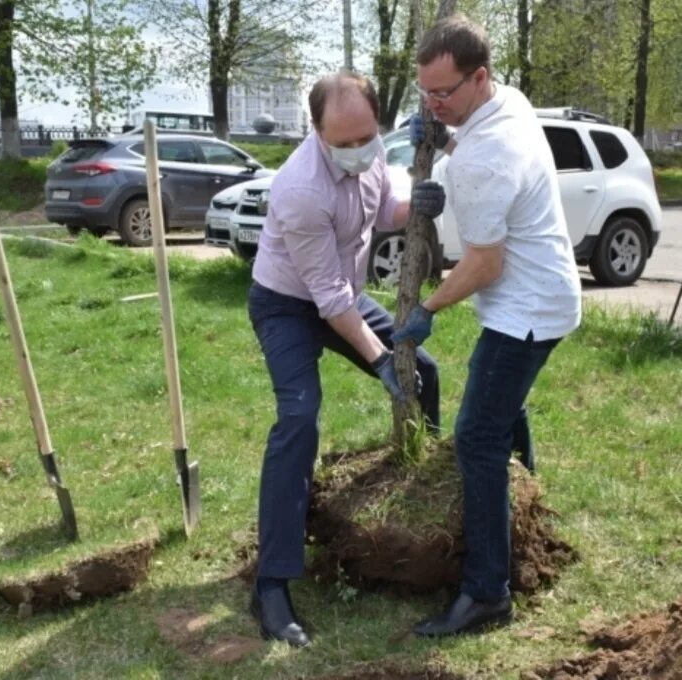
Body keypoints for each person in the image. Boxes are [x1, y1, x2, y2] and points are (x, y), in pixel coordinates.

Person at [394, 15, 581, 637]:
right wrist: (444, 148)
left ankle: (487, 592)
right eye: (424, 93)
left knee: (476, 436)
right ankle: (525, 516)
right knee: (503, 409)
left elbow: (483, 263)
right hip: (543, 295)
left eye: (443, 94)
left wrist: (426, 309)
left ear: (480, 77)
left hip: (525, 308)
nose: (432, 104)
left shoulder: (485, 155)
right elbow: (470, 151)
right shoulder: (509, 105)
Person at [247, 71, 446, 647]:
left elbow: (383, 211)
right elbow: (329, 300)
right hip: (287, 304)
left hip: (342, 293)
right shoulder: (300, 189)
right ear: (316, 129)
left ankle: (428, 497)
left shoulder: (372, 153)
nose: (359, 150)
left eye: (367, 138)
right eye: (345, 142)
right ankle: (272, 584)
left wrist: (416, 204)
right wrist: (380, 356)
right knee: (299, 419)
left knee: (424, 372)